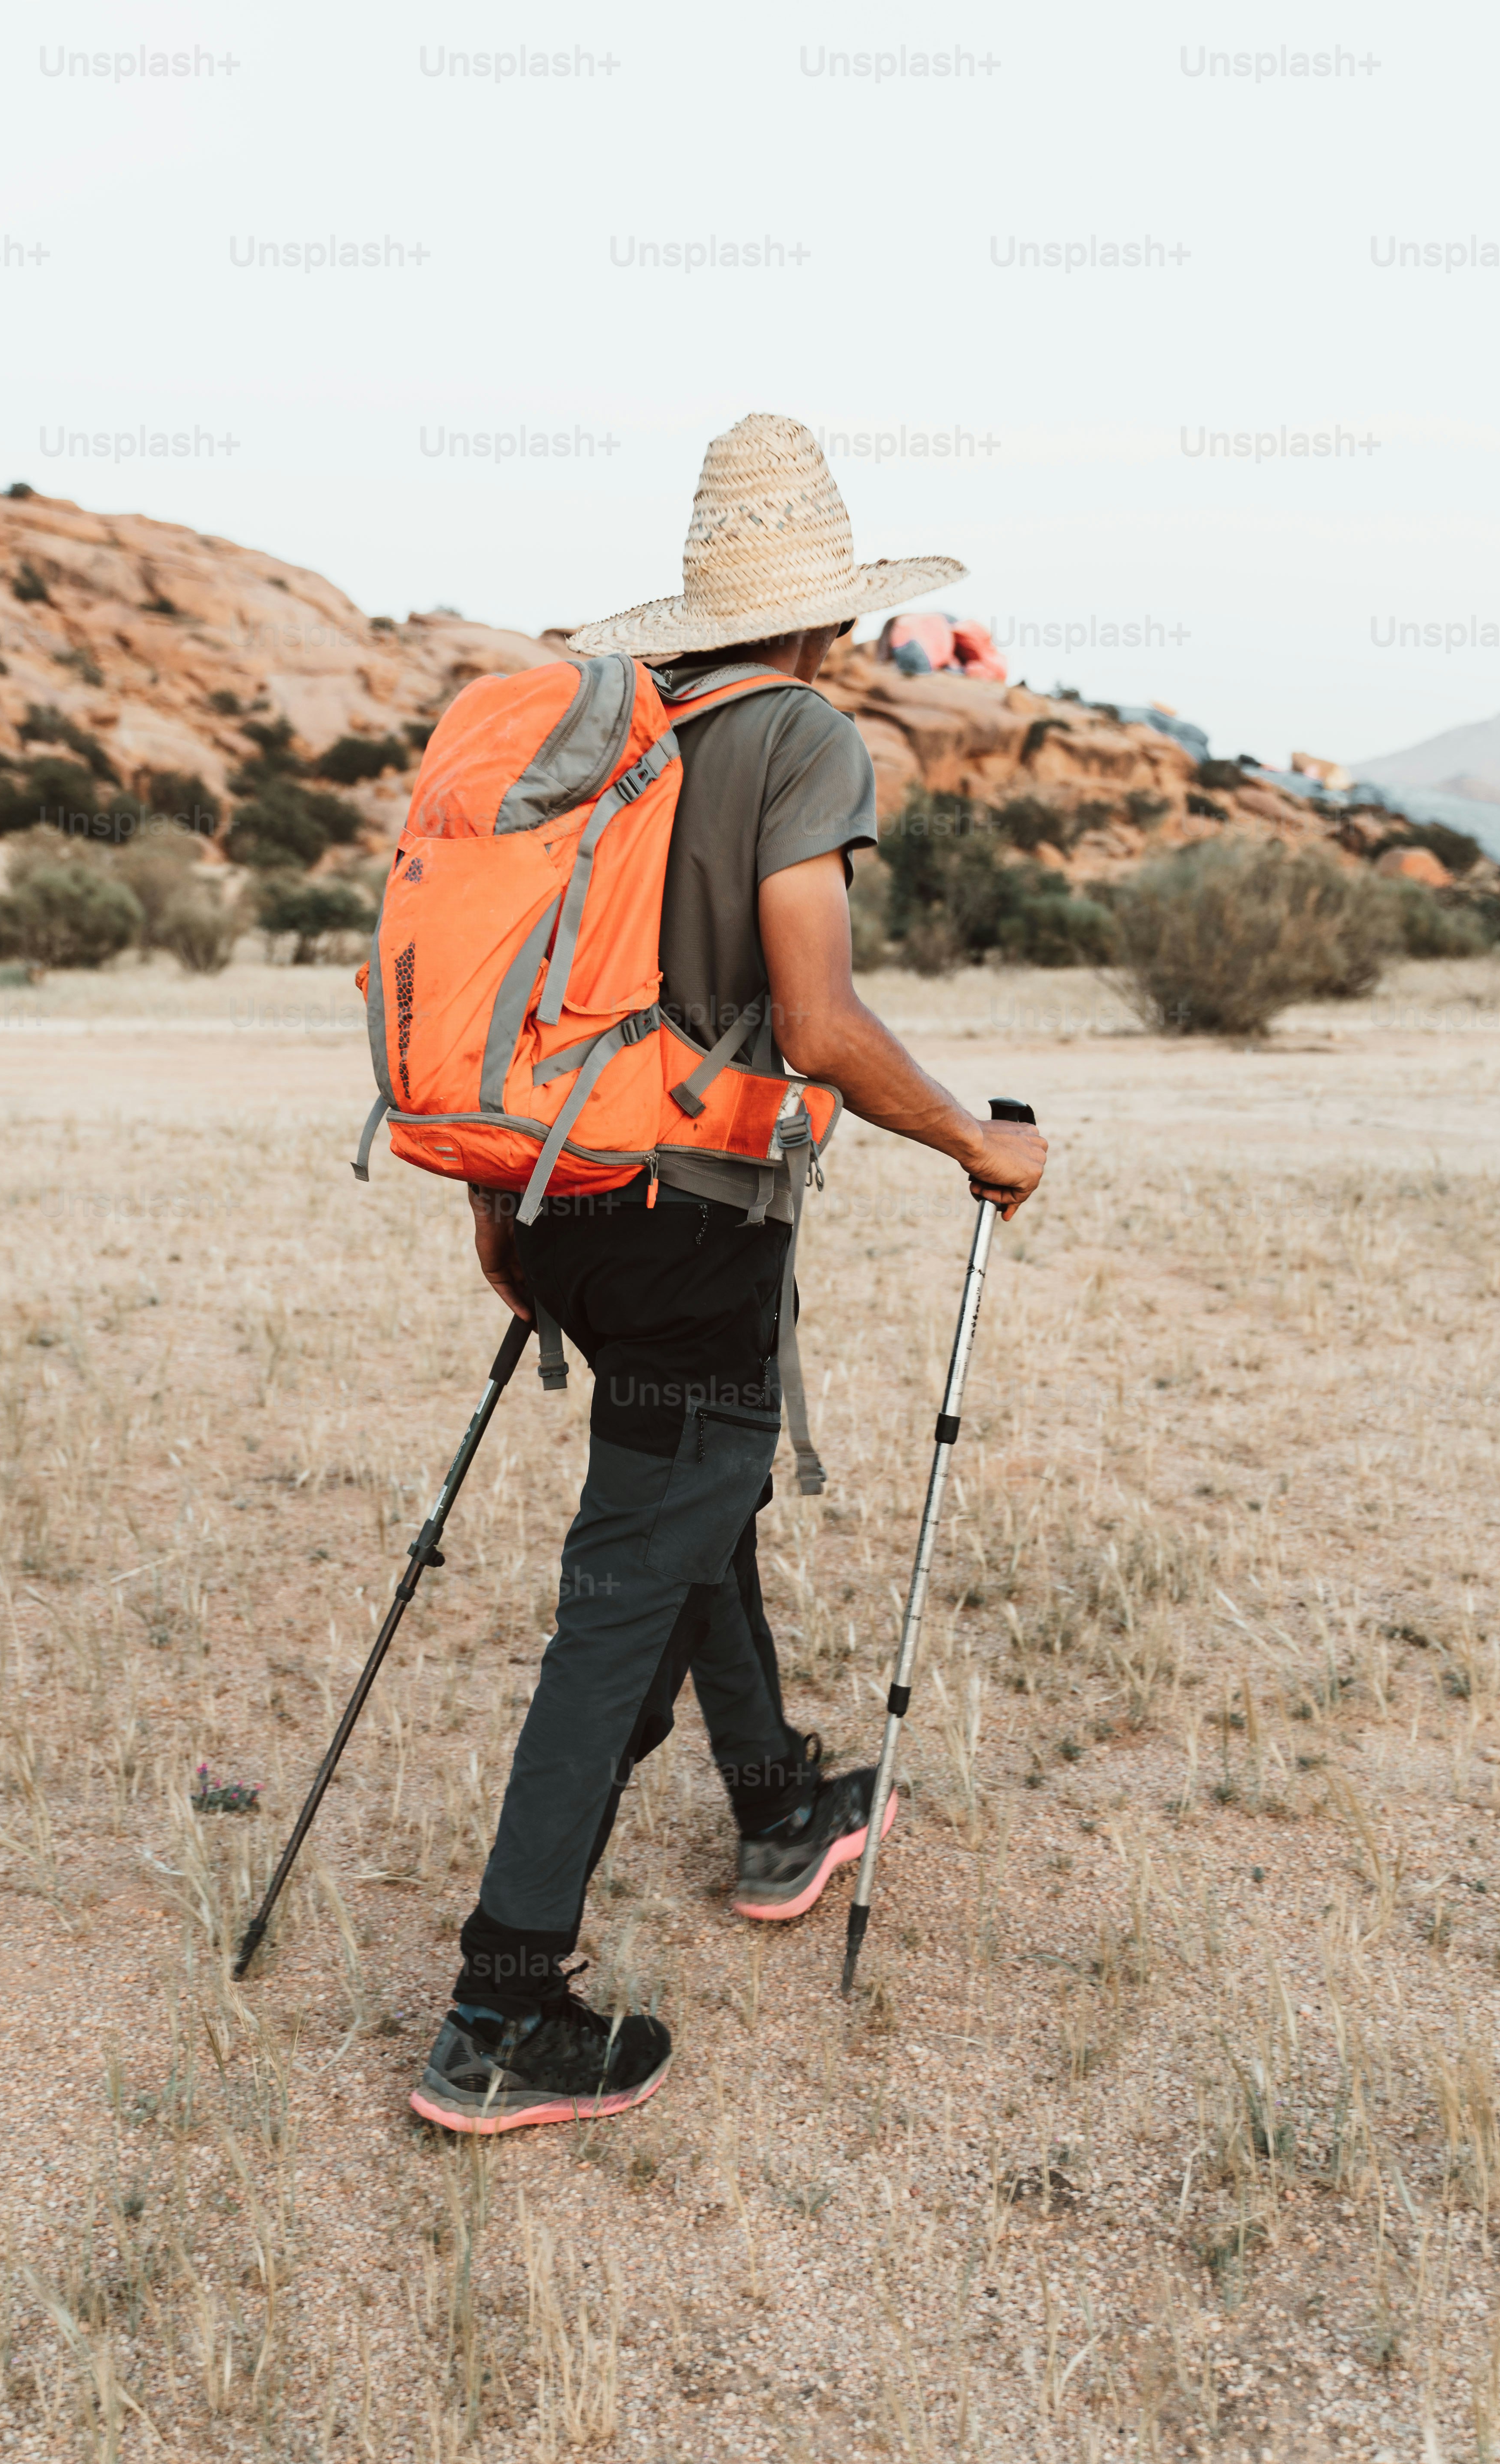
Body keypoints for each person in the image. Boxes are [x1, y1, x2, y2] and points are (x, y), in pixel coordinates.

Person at [410, 414, 1047, 2135]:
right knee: (628, 1581)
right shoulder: (797, 738)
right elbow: (823, 1023)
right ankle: (500, 2009)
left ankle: (777, 1806)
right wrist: (979, 1148)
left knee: (695, 1494)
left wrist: (510, 1218)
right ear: (829, 613)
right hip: (687, 1214)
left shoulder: (623, 738)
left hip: (558, 1195)